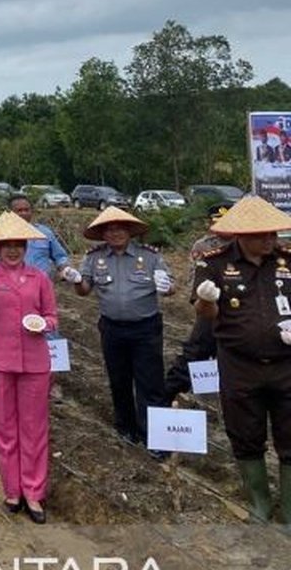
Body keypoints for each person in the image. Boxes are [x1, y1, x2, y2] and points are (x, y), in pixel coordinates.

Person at [192, 196, 291, 522]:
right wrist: (206, 301)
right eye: (263, 235)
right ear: (242, 235)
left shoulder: (287, 261)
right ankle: (259, 502)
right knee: (245, 433)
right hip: (239, 365)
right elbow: (207, 312)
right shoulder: (214, 263)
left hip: (286, 364)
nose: (271, 240)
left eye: (273, 234)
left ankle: (290, 508)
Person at [0, 212, 57, 524]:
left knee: (34, 429)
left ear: (25, 247)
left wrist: (43, 323)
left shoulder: (39, 278)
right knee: (4, 429)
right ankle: (12, 490)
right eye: (6, 245)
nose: (13, 250)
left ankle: (33, 491)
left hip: (34, 361)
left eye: (18, 244)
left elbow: (52, 317)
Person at [64, 207, 172, 458]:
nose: (115, 233)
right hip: (112, 328)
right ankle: (126, 429)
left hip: (146, 328)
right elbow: (85, 290)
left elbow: (170, 286)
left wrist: (167, 287)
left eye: (120, 228)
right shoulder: (94, 257)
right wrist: (77, 280)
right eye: (109, 230)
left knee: (150, 383)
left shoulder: (150, 256)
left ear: (130, 231)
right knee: (119, 380)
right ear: (103, 234)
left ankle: (155, 437)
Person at [163, 202, 232, 403]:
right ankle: (166, 396)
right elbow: (196, 281)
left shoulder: (247, 244)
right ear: (211, 224)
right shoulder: (203, 247)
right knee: (194, 354)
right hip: (212, 310)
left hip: (242, 312)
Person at [4, 194, 72, 277]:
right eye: (19, 210)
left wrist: (65, 268)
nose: (23, 213)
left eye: (26, 210)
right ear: (9, 213)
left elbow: (60, 256)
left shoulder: (44, 233)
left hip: (41, 285)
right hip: (9, 285)